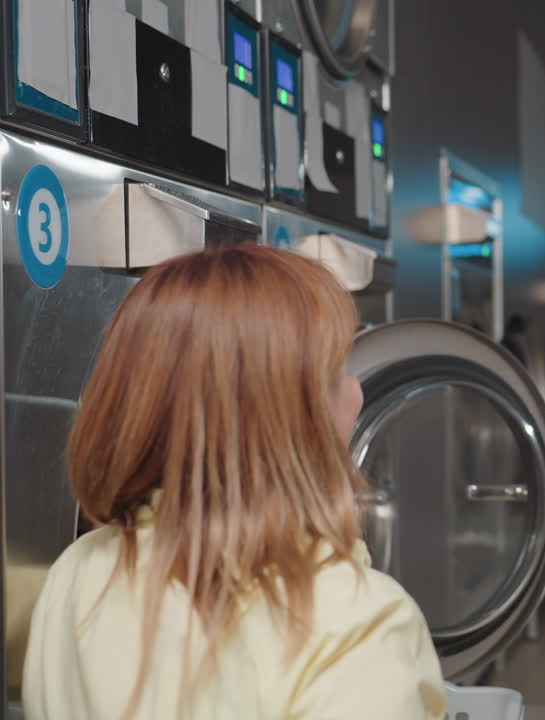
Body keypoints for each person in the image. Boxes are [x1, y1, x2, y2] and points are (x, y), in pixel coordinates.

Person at [23, 245, 446, 719]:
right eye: (339, 368)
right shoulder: (360, 623)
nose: (357, 389)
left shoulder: (78, 572)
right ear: (291, 417)